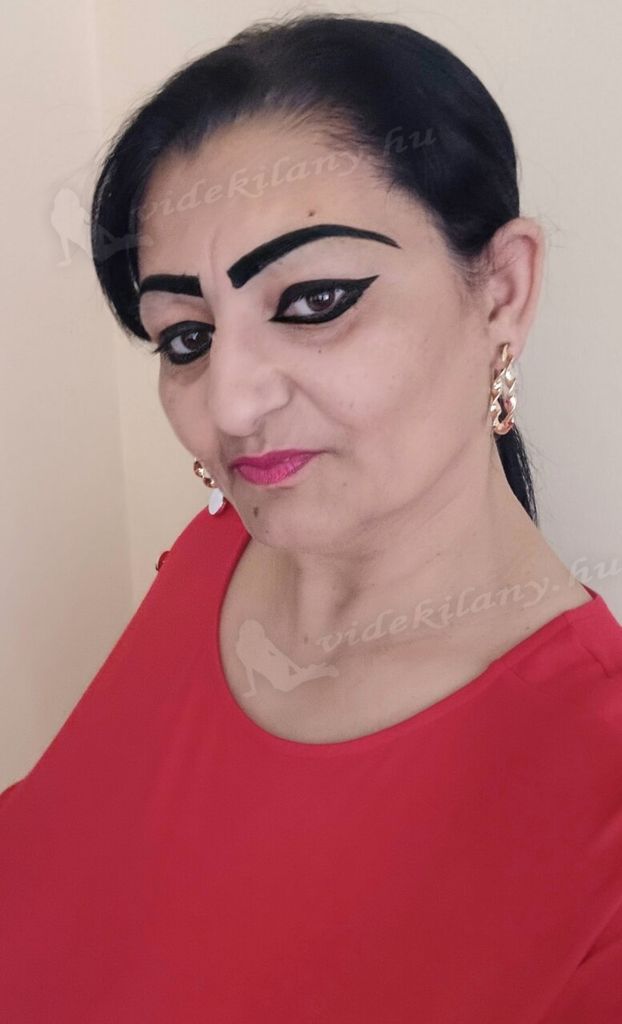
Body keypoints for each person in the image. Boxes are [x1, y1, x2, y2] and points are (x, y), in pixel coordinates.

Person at [1, 12, 621, 1021]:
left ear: (502, 290)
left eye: (315, 299)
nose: (229, 403)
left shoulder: (594, 804)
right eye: (187, 336)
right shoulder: (209, 556)